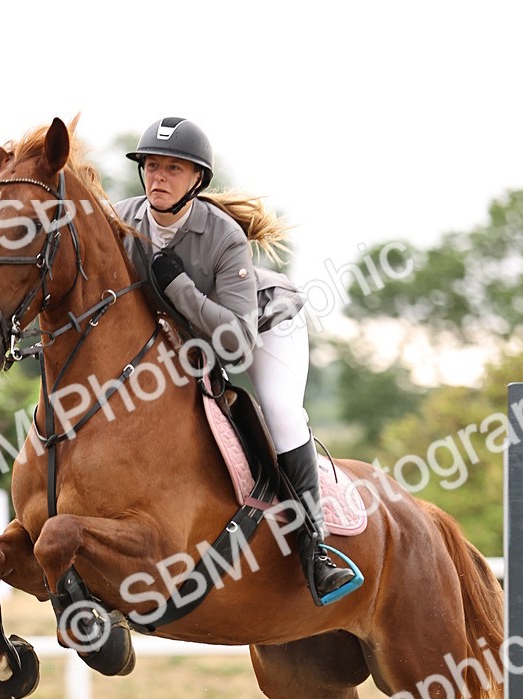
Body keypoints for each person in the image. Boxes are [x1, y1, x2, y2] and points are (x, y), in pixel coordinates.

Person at [115, 116, 363, 604]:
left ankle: (315, 549)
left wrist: (180, 288)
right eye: (151, 167)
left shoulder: (223, 236)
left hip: (265, 327)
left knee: (281, 411)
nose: (157, 178)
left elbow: (236, 345)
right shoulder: (122, 218)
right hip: (189, 338)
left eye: (172, 169)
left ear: (197, 181)